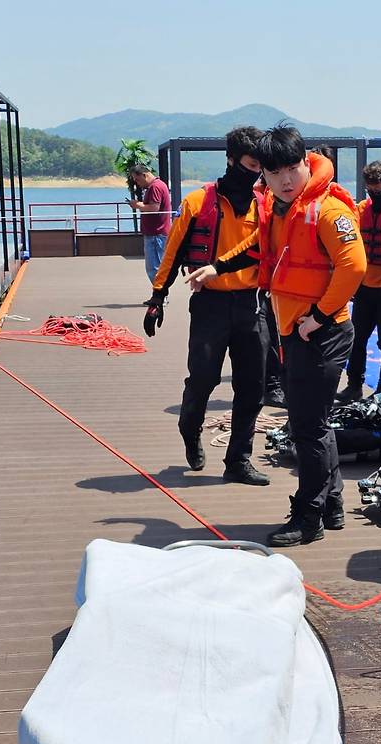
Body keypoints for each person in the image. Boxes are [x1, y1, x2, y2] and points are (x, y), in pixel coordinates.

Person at [186, 125, 367, 547]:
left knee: (307, 427)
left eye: (292, 168)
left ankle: (309, 517)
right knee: (314, 422)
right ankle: (332, 503)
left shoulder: (327, 210)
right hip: (296, 329)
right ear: (261, 175)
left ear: (307, 163)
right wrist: (217, 268)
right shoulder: (281, 208)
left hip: (320, 332)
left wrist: (318, 317)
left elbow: (353, 267)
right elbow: (256, 247)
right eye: (274, 172)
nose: (286, 179)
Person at [143, 126, 271, 486]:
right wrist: (157, 297)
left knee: (251, 386)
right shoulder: (199, 202)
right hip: (210, 304)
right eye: (250, 164)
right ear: (231, 160)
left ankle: (238, 460)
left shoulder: (266, 204)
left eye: (261, 166)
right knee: (203, 378)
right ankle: (189, 427)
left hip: (252, 304)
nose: (256, 172)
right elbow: (172, 251)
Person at [336, 160, 381, 403]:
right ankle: (354, 385)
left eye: (379, 190)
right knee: (357, 339)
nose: (375, 194)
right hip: (363, 288)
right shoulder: (362, 209)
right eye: (370, 190)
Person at [128, 165, 172, 284]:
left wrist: (137, 205)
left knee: (154, 267)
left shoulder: (155, 187)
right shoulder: (159, 185)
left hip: (156, 233)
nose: (137, 183)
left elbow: (154, 207)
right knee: (156, 266)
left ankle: (160, 295)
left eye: (137, 179)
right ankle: (159, 294)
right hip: (157, 233)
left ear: (144, 175)